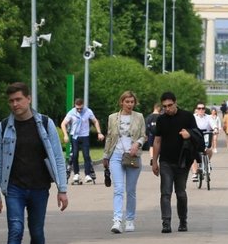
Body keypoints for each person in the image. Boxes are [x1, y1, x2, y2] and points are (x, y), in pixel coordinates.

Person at [0, 82, 68, 244]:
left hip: (39, 187)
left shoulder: (44, 123)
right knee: (15, 231)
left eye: (18, 100)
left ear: (29, 99)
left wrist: (63, 188)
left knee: (37, 232)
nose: (15, 104)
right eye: (11, 101)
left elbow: (58, 158)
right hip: (13, 188)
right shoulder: (3, 127)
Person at [150, 91, 198, 233]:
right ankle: (166, 223)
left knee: (180, 192)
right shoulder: (161, 120)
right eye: (165, 106)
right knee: (165, 192)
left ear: (175, 103)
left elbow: (197, 135)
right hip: (165, 161)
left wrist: (189, 134)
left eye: (170, 105)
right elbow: (157, 141)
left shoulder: (187, 116)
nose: (168, 108)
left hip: (183, 161)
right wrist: (154, 161)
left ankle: (183, 221)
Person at [103, 91, 146, 234]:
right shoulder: (113, 117)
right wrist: (106, 156)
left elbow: (143, 135)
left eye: (132, 102)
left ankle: (130, 220)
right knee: (118, 189)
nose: (129, 104)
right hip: (116, 155)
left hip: (133, 156)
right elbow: (109, 137)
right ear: (121, 102)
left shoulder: (139, 117)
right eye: (127, 102)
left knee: (131, 190)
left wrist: (137, 144)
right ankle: (117, 221)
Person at [60, 98, 104, 185]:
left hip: (85, 136)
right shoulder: (72, 112)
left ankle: (88, 175)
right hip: (75, 136)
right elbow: (63, 123)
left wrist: (99, 133)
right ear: (75, 106)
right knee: (75, 155)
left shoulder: (88, 111)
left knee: (86, 155)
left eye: (81, 108)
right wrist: (65, 135)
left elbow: (95, 121)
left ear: (83, 105)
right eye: (77, 108)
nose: (79, 110)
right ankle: (76, 174)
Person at [191, 102, 214, 181]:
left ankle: (208, 162)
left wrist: (216, 128)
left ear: (205, 110)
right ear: (196, 110)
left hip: (206, 136)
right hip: (195, 137)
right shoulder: (193, 117)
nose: (201, 110)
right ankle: (195, 173)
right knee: (192, 153)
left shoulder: (208, 117)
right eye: (199, 108)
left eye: (203, 108)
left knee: (209, 150)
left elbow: (213, 124)